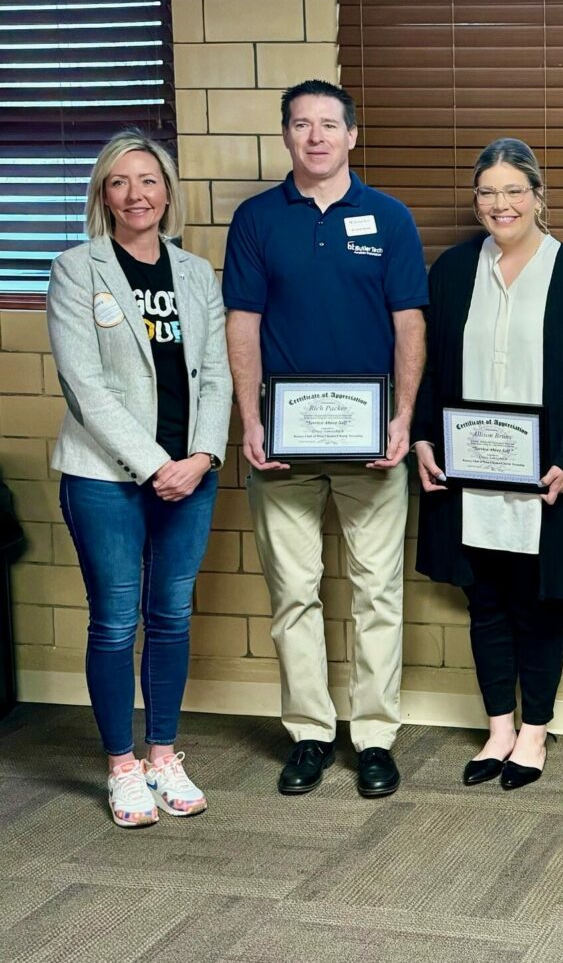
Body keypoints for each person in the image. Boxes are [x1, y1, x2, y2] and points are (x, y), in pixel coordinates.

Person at [223, 79, 427, 798]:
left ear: (351, 136)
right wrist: (250, 420)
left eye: (329, 124)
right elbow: (242, 323)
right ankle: (310, 733)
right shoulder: (255, 221)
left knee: (378, 593)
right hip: (281, 446)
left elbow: (409, 324)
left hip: (375, 447)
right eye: (302, 125)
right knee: (294, 594)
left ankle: (373, 738)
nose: (316, 136)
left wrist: (402, 419)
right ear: (286, 136)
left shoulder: (390, 218)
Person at [413, 138, 563, 789]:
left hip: (546, 476)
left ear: (537, 197)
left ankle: (535, 733)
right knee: (485, 602)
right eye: (487, 192)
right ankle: (499, 727)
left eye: (512, 191)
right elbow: (429, 370)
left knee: (538, 603)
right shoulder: (450, 273)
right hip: (469, 477)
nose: (500, 204)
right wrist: (422, 440)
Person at [47, 131, 232, 828]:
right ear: (104, 194)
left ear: (167, 192)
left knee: (171, 616)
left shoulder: (195, 273)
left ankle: (163, 755)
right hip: (105, 479)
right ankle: (122, 767)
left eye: (149, 181)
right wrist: (156, 465)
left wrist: (204, 456)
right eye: (120, 182)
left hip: (193, 472)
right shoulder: (75, 269)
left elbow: (215, 375)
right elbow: (85, 387)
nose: (137, 195)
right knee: (117, 620)